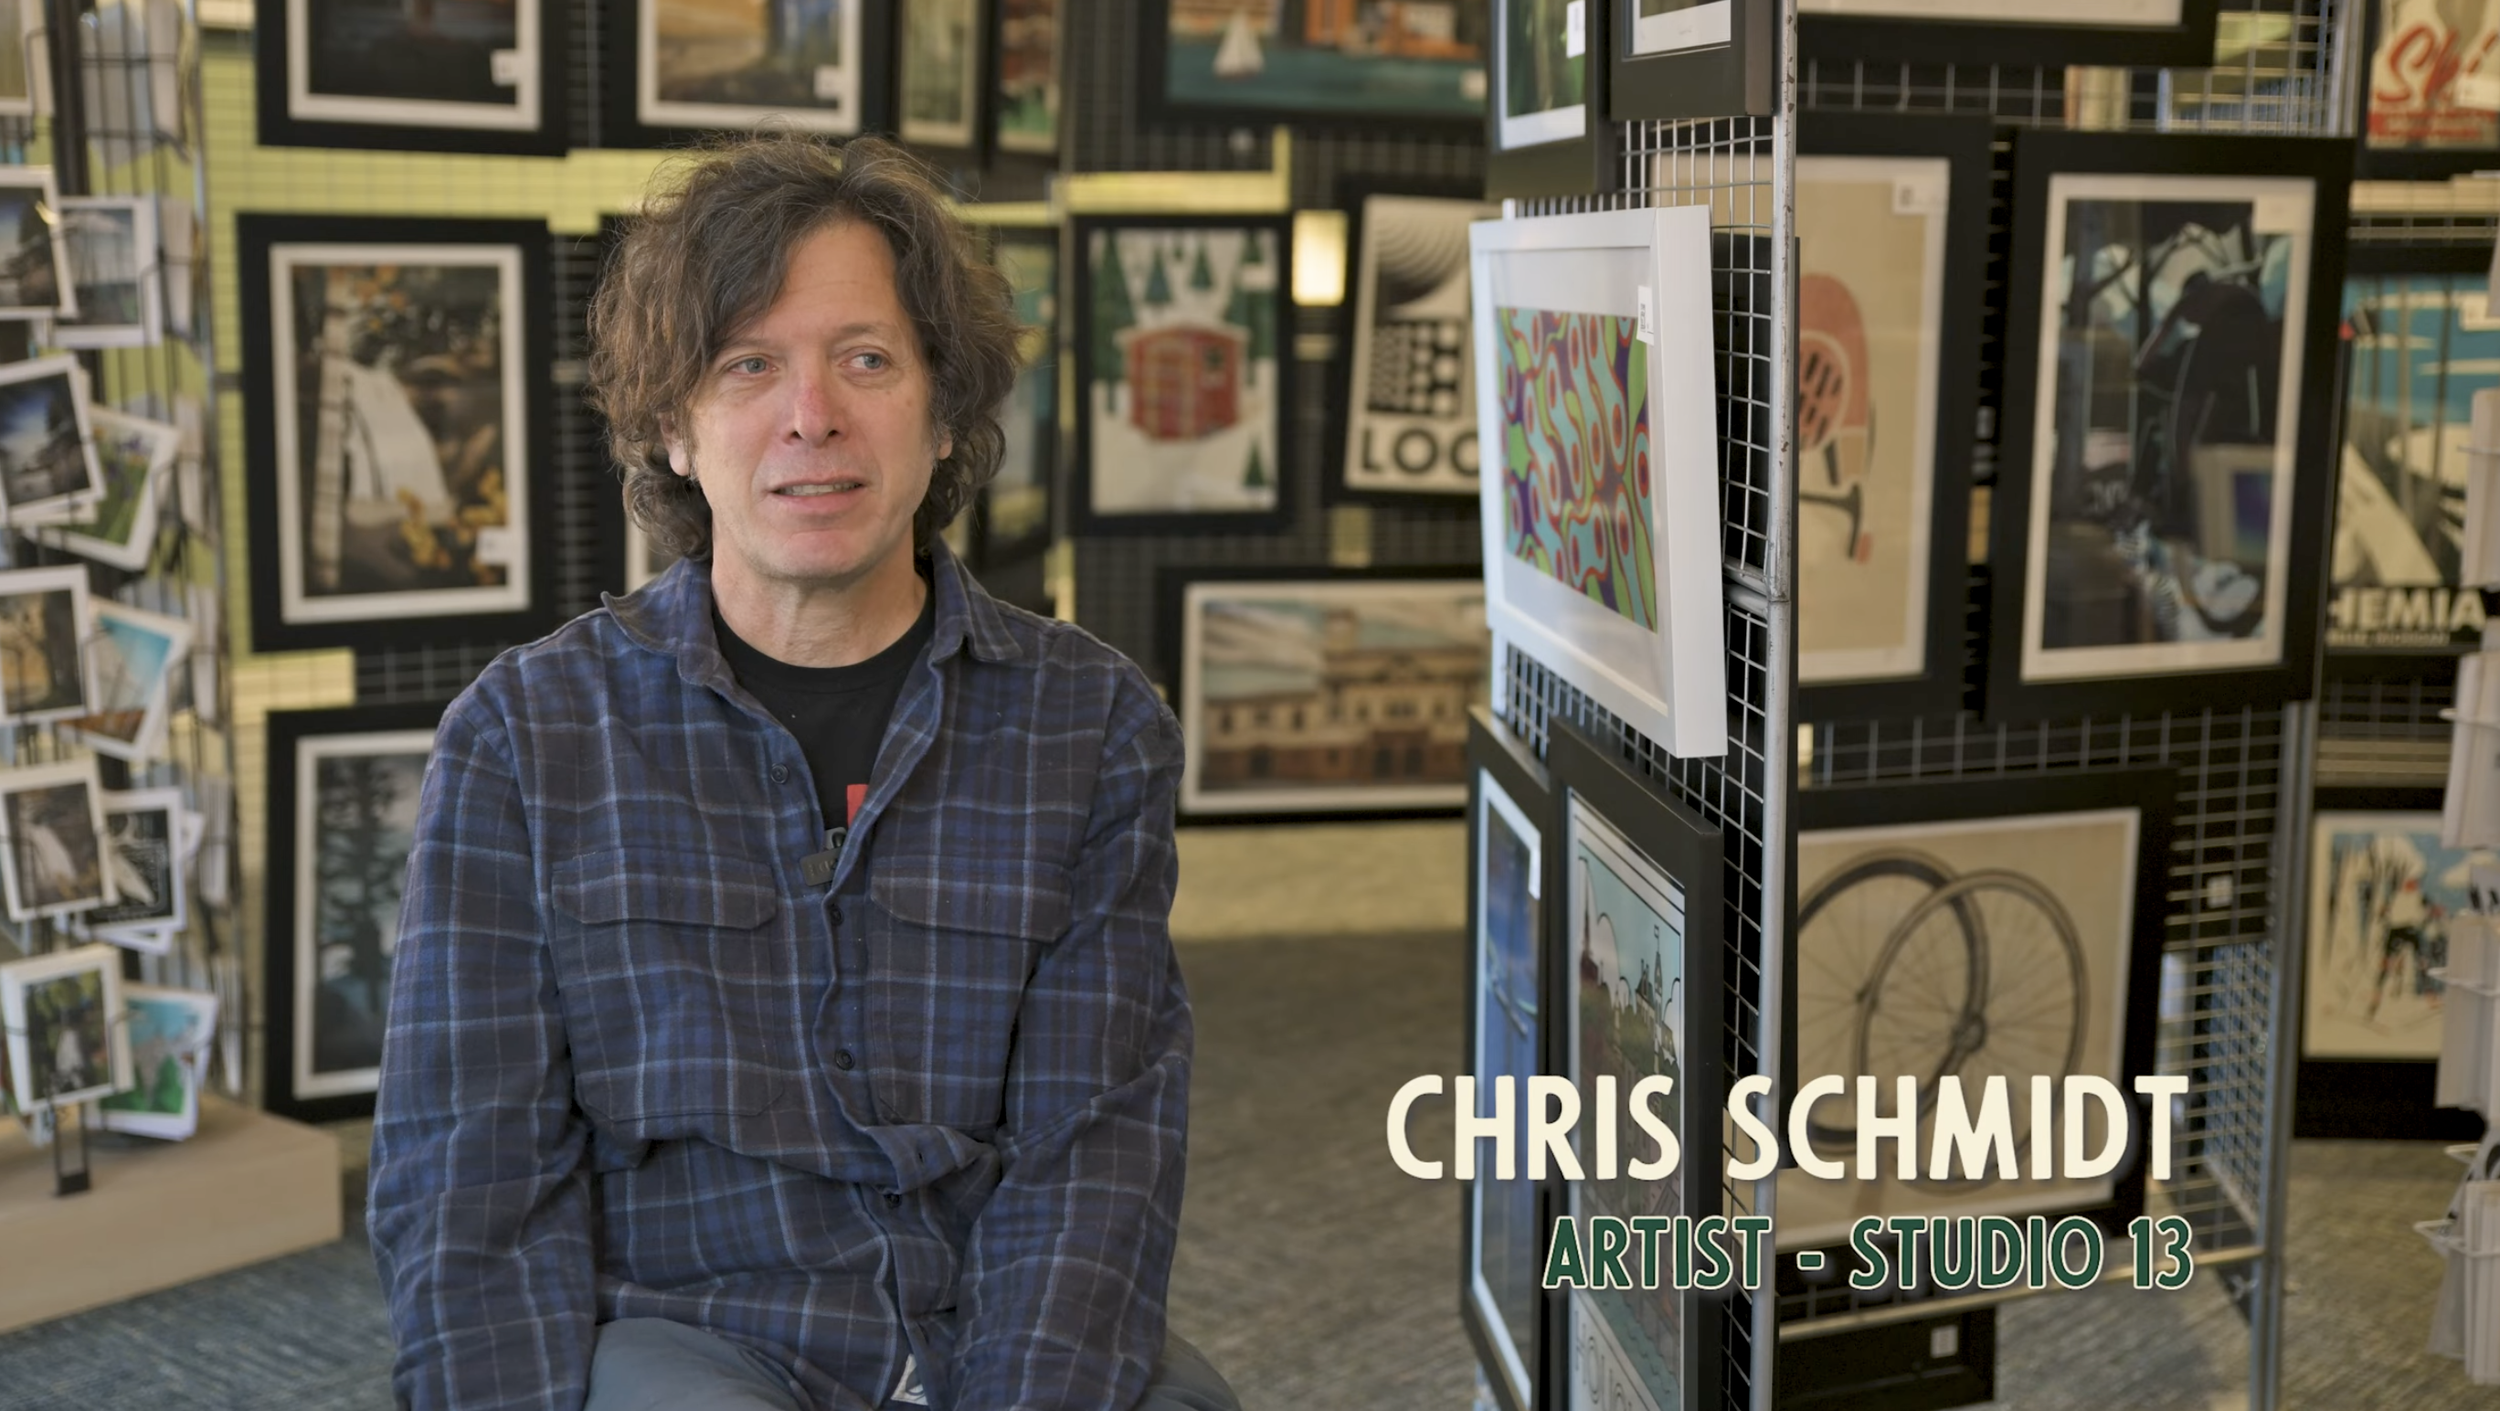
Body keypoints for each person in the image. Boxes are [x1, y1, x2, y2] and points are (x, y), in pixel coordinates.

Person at [367, 134, 1230, 1411]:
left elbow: (1096, 1155)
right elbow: (464, 1180)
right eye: (748, 364)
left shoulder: (1091, 725)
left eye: (866, 360)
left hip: (986, 1311)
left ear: (943, 413)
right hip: (691, 1329)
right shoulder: (526, 737)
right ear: (673, 426)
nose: (811, 414)